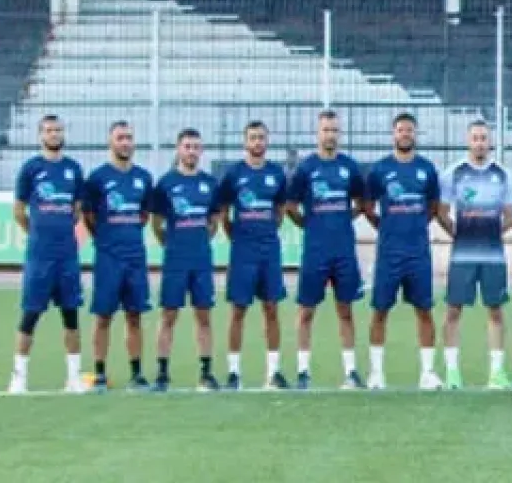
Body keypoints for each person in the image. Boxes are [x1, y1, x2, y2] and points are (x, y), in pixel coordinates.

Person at [286, 110, 366, 389]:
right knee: (306, 311)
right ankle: (303, 372)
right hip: (315, 250)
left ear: (339, 134)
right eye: (326, 130)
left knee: (346, 310)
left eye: (334, 130)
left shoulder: (349, 167)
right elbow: (291, 207)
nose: (330, 135)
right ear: (317, 134)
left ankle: (351, 372)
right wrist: (309, 224)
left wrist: (343, 218)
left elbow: (361, 203)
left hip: (343, 249)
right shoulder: (306, 169)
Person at [362, 112, 442, 390]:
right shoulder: (380, 169)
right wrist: (386, 227)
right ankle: (376, 373)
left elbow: (433, 207)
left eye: (409, 130)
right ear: (393, 134)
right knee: (380, 310)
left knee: (424, 310)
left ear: (415, 134)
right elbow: (368, 207)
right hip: (389, 253)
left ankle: (427, 373)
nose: (405, 134)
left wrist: (415, 224)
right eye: (400, 130)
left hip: (418, 252)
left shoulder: (426, 169)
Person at [435, 119, 512, 390]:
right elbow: (442, 212)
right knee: (453, 310)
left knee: (495, 311)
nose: (480, 143)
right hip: (462, 255)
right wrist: (459, 234)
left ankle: (496, 373)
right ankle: (452, 373)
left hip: (493, 255)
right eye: (475, 138)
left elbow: (510, 215)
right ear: (468, 141)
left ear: (490, 142)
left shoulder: (503, 174)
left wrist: (492, 232)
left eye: (484, 138)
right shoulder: (453, 174)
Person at [8, 115, 86, 394]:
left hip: (67, 256)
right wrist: (37, 232)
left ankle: (73, 378)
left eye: (58, 130)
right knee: (30, 315)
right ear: (40, 135)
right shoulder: (31, 168)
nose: (54, 134)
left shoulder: (74, 169)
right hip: (40, 257)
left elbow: (77, 210)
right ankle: (19, 377)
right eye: (49, 130)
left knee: (71, 316)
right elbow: (19, 211)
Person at [82, 121, 154, 392]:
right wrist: (106, 238)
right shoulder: (97, 178)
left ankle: (137, 373)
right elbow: (89, 216)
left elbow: (144, 216)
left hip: (135, 257)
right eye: (120, 138)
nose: (125, 143)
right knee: (103, 316)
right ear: (110, 142)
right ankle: (100, 373)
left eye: (129, 138)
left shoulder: (143, 178)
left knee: (135, 315)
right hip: (108, 257)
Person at [218, 120, 289, 390]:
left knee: (271, 309)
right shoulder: (234, 174)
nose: (257, 142)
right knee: (238, 310)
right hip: (242, 252)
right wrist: (237, 236)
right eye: (253, 137)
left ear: (267, 141)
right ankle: (234, 373)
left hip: (269, 251)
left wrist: (267, 232)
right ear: (245, 141)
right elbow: (224, 213)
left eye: (261, 137)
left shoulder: (276, 173)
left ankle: (273, 372)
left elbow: (280, 211)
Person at [150, 128, 222, 392]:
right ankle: (162, 373)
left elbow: (213, 222)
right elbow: (156, 223)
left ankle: (206, 372)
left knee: (204, 316)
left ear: (201, 151)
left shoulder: (210, 183)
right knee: (168, 315)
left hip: (201, 259)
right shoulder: (166, 183)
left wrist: (199, 241)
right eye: (187, 146)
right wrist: (171, 244)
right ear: (178, 149)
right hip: (175, 260)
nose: (191, 151)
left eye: (195, 147)